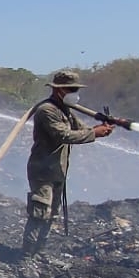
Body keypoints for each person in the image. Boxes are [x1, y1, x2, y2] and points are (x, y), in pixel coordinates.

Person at [21, 70, 114, 258]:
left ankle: (39, 252)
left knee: (52, 214)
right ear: (59, 90)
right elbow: (64, 135)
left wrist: (101, 127)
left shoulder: (65, 110)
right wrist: (95, 133)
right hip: (42, 170)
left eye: (76, 89)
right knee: (40, 211)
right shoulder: (47, 110)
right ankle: (26, 254)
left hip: (58, 169)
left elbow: (81, 129)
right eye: (71, 89)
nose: (75, 93)